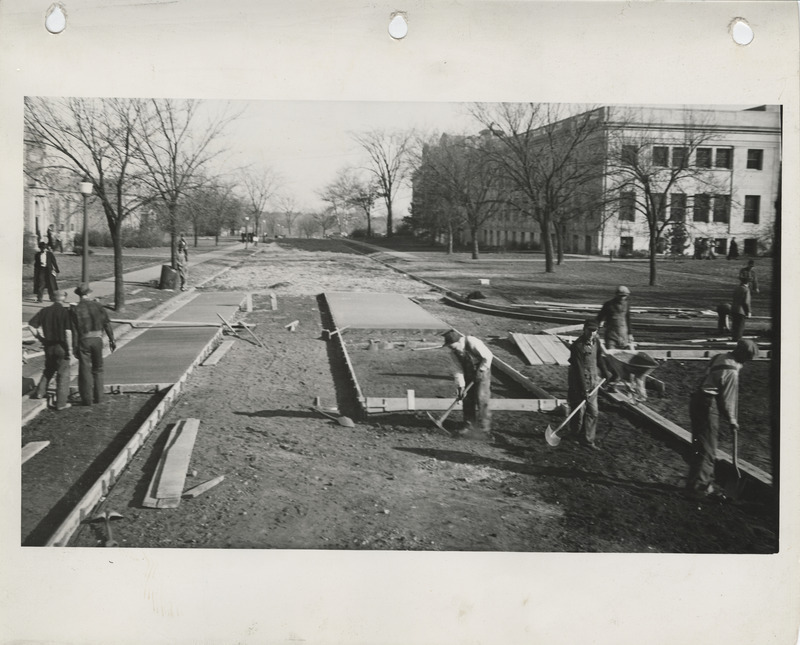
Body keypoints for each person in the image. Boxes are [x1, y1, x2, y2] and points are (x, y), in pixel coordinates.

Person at [686, 339, 759, 498]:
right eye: (746, 359)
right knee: (708, 448)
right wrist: (732, 420)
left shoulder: (720, 356)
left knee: (700, 443)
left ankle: (694, 481)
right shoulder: (731, 371)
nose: (746, 363)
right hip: (708, 404)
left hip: (697, 400)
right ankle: (700, 487)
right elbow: (728, 400)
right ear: (742, 355)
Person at [442, 329, 494, 438]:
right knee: (467, 399)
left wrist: (481, 371)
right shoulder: (454, 353)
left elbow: (488, 356)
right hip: (468, 374)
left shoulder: (472, 342)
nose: (451, 349)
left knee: (481, 398)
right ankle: (469, 426)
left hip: (482, 372)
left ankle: (484, 429)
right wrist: (461, 386)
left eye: (452, 346)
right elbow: (457, 369)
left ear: (458, 341)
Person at [27, 290, 73, 410]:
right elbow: (67, 333)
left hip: (49, 345)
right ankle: (61, 403)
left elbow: (31, 325)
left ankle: (39, 392)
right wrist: (70, 349)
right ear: (64, 299)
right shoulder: (65, 313)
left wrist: (40, 338)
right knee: (63, 374)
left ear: (52, 298)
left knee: (49, 369)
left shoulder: (44, 311)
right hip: (61, 346)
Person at [71, 283, 117, 406]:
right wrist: (112, 339)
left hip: (84, 340)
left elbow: (75, 330)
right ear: (89, 293)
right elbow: (107, 324)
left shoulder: (75, 309)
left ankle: (87, 400)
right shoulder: (98, 306)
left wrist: (74, 347)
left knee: (85, 370)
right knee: (98, 369)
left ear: (79, 295)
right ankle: (99, 397)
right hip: (97, 339)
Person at [567, 319, 604, 449]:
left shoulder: (596, 342)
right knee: (579, 412)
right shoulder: (577, 346)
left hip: (593, 381)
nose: (592, 333)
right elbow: (578, 369)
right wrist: (583, 389)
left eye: (594, 331)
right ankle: (574, 435)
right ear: (584, 329)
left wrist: (606, 372)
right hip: (578, 382)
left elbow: (599, 358)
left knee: (593, 412)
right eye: (589, 330)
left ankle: (588, 440)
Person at [596, 285, 634, 385]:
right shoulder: (608, 305)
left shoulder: (627, 305)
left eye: (624, 296)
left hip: (623, 335)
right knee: (611, 356)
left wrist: (630, 334)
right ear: (616, 295)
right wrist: (596, 329)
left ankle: (617, 377)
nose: (622, 298)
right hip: (611, 335)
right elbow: (599, 318)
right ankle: (610, 376)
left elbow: (628, 319)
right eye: (621, 296)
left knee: (622, 357)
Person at [730, 276, 751, 341]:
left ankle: (734, 337)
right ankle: (738, 339)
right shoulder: (746, 290)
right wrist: (748, 311)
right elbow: (746, 302)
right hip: (741, 311)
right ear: (748, 283)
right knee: (740, 326)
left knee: (735, 325)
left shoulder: (737, 288)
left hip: (734, 309)